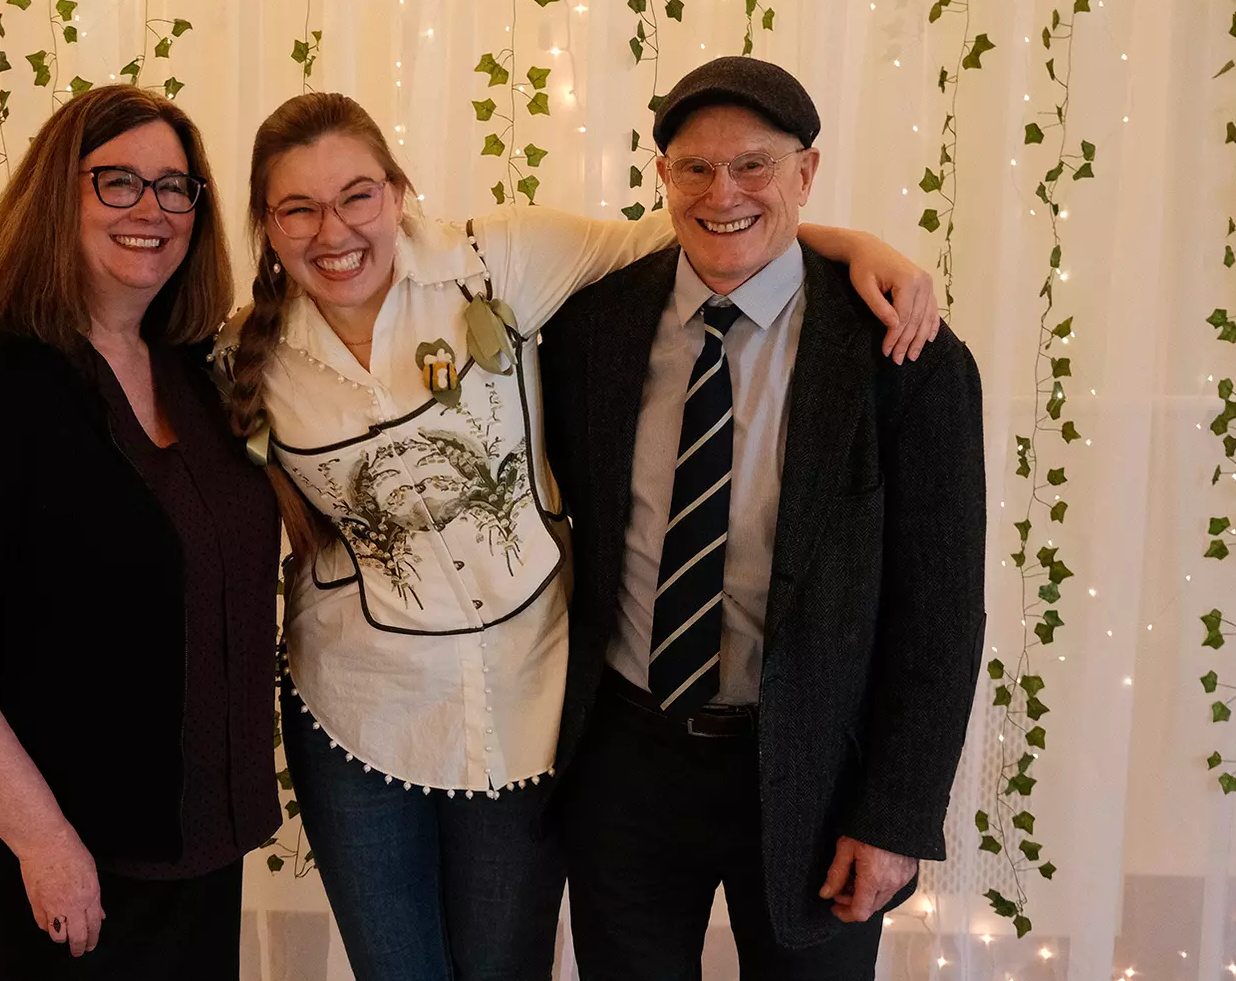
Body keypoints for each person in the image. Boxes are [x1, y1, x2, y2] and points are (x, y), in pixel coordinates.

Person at [216, 91, 941, 981]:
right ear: (264, 222)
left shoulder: (500, 261)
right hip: (366, 712)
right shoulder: (242, 355)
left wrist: (852, 244)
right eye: (298, 207)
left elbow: (698, 231)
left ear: (399, 191)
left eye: (357, 195)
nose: (334, 229)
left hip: (534, 714)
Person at [541, 57, 987, 980]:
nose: (724, 192)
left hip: (814, 771)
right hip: (627, 758)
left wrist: (896, 815)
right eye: (695, 168)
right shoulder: (590, 327)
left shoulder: (903, 354)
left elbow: (940, 612)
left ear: (806, 174)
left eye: (754, 165)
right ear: (661, 178)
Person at [0, 85, 282, 980]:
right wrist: (43, 841)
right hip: (75, 862)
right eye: (117, 181)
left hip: (203, 845)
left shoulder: (193, 371)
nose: (152, 209)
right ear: (59, 194)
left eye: (176, 187)